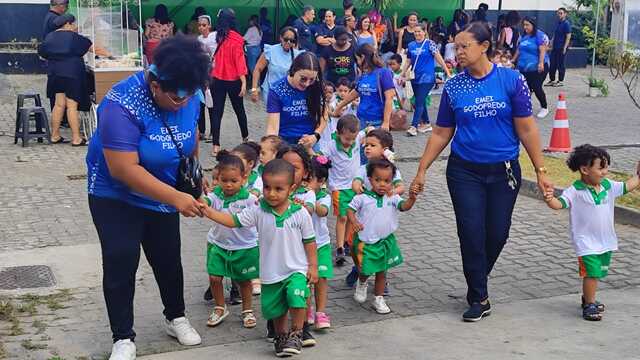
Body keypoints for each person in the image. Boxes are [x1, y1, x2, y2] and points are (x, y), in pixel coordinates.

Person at [410, 22, 553, 322]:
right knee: (471, 232)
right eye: (456, 47)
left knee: (498, 233)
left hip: (504, 172)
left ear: (484, 46)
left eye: (464, 46)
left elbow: (526, 128)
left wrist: (540, 171)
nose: (458, 52)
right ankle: (479, 296)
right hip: (464, 172)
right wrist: (421, 169)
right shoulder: (454, 86)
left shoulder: (512, 80)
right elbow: (440, 133)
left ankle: (477, 277)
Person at [86, 35, 209, 360]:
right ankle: (123, 337)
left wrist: (195, 172)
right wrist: (176, 199)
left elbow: (191, 133)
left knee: (168, 257)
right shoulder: (121, 104)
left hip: (164, 190)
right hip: (116, 196)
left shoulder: (189, 92)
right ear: (156, 85)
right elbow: (123, 169)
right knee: (121, 259)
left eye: (190, 93)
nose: (184, 100)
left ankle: (175, 317)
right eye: (177, 95)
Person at [201, 159, 317, 357]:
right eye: (267, 187)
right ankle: (281, 337)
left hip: (295, 269)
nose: (272, 193)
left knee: (296, 297)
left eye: (279, 188)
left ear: (292, 188)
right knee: (276, 310)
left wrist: (313, 266)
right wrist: (207, 210)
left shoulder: (300, 213)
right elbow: (232, 221)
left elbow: (310, 241)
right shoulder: (257, 209)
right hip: (270, 273)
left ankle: (297, 332)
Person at [543, 145, 640, 321]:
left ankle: (588, 297)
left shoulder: (607, 186)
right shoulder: (575, 190)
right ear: (585, 170)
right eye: (601, 167)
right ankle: (589, 304)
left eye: (606, 167)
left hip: (605, 239)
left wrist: (638, 176)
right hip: (585, 241)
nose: (605, 172)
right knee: (592, 273)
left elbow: (627, 186)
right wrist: (550, 199)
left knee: (598, 272)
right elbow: (560, 204)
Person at [348, 159, 417, 313]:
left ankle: (378, 298)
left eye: (386, 181)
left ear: (392, 182)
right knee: (365, 269)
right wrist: (354, 222)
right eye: (377, 180)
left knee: (382, 271)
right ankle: (362, 281)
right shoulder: (362, 197)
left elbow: (404, 207)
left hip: (385, 241)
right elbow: (350, 210)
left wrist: (412, 199)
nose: (382, 184)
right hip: (366, 243)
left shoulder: (392, 197)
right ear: (370, 179)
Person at [201, 152, 260, 328]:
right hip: (218, 244)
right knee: (214, 277)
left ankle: (247, 309)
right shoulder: (216, 195)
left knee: (244, 281)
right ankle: (220, 307)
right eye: (223, 180)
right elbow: (205, 201)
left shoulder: (250, 200)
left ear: (244, 178)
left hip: (244, 246)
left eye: (233, 181)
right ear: (217, 178)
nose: (228, 185)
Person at [318, 115, 366, 267]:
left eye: (353, 139)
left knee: (352, 216)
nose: (350, 142)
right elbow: (319, 157)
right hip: (338, 188)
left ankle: (347, 242)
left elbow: (369, 132)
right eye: (347, 139)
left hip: (355, 186)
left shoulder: (358, 138)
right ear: (338, 133)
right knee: (342, 217)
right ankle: (339, 248)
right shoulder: (331, 146)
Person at [38, 14, 92, 146]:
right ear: (67, 24)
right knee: (72, 106)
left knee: (59, 104)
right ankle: (76, 138)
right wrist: (109, 55)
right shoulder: (73, 37)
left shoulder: (49, 37)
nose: (74, 27)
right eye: (73, 24)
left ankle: (55, 135)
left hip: (55, 74)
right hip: (71, 75)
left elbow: (42, 53)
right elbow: (91, 47)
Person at [210, 8, 249, 156]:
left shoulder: (216, 37)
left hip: (217, 79)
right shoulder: (238, 39)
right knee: (239, 110)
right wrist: (244, 82)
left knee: (216, 112)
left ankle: (215, 145)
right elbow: (240, 62)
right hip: (234, 81)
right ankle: (245, 138)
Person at [265, 52, 326, 147]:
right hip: (284, 142)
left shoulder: (315, 86)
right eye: (303, 79)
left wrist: (316, 135)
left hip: (309, 140)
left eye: (312, 79)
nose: (307, 84)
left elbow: (324, 116)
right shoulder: (277, 90)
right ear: (293, 70)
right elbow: (273, 128)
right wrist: (270, 150)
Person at [402, 24, 451, 136]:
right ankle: (427, 123)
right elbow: (409, 61)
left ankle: (413, 126)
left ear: (424, 32)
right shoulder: (411, 45)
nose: (417, 34)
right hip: (415, 77)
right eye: (415, 32)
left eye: (419, 31)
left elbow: (439, 58)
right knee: (421, 100)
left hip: (427, 78)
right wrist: (402, 73)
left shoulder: (430, 44)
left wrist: (447, 72)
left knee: (418, 101)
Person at [333, 44, 395, 131]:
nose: (357, 63)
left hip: (377, 122)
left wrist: (386, 122)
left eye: (357, 59)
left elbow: (389, 98)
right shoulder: (364, 75)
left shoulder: (384, 73)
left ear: (362, 57)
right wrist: (339, 107)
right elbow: (355, 93)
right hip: (361, 120)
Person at [308, 155, 334, 329]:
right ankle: (307, 308)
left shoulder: (324, 196)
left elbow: (323, 212)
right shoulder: (297, 195)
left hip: (321, 244)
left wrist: (310, 200)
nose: (305, 183)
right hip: (302, 245)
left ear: (321, 181)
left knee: (322, 278)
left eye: (310, 179)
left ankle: (321, 312)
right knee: (305, 279)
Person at [251, 27, 304, 104]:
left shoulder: (297, 55)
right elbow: (257, 69)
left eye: (292, 40)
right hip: (271, 92)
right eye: (286, 39)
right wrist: (254, 89)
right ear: (281, 38)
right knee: (274, 115)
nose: (288, 42)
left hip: (289, 93)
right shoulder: (270, 51)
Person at [513, 17, 550, 119]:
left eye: (527, 25)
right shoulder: (523, 37)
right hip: (524, 68)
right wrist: (513, 61)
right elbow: (518, 50)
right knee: (526, 88)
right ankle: (525, 107)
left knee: (536, 86)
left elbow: (543, 50)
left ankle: (544, 107)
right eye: (524, 25)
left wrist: (541, 63)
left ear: (533, 25)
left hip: (538, 67)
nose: (525, 27)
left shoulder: (539, 35)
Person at [196, 14, 216, 140]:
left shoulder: (214, 37)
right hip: (200, 75)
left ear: (209, 26)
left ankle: (214, 132)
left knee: (212, 105)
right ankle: (201, 131)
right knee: (200, 104)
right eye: (199, 25)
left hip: (213, 75)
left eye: (204, 25)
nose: (202, 27)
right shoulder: (198, 39)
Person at [546, 7, 572, 87]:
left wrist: (565, 47)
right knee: (552, 64)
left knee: (560, 64)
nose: (559, 15)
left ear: (565, 14)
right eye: (558, 13)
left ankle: (560, 81)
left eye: (561, 13)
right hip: (555, 47)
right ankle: (552, 80)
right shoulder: (558, 23)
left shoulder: (566, 24)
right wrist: (551, 42)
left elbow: (568, 36)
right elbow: (555, 34)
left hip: (561, 47)